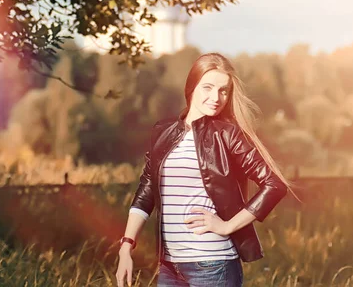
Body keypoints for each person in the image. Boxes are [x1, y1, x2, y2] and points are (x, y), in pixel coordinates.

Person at [115, 52, 296, 287]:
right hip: (170, 267)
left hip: (213, 266)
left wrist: (227, 226)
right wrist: (127, 245)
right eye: (207, 87)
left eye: (223, 90)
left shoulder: (228, 134)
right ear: (192, 87)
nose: (216, 97)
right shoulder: (163, 131)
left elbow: (274, 184)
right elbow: (147, 190)